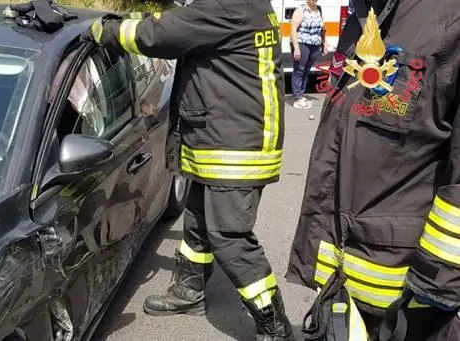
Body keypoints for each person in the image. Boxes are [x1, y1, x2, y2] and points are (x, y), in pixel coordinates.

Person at [82, 1, 294, 340]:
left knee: (230, 237)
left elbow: (156, 34)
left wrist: (98, 29)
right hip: (223, 134)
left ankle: (274, 324)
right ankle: (188, 291)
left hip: (235, 145)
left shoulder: (226, 5)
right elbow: (174, 22)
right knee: (196, 220)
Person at [285, 0, 460, 339]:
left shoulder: (448, 19)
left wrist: (432, 287)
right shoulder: (365, 14)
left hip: (410, 308)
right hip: (341, 292)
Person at [290, 0, 330, 109]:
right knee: (299, 69)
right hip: (302, 43)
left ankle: (301, 94)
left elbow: (322, 29)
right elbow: (293, 29)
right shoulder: (301, 10)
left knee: (307, 70)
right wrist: (296, 48)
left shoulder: (319, 9)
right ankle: (298, 97)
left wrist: (324, 43)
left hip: (315, 44)